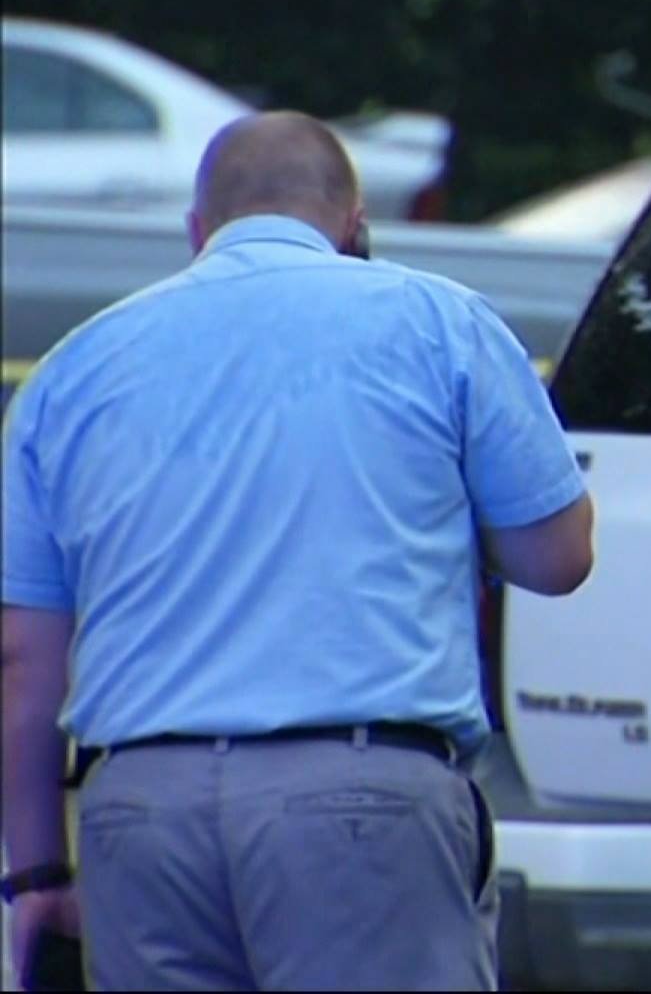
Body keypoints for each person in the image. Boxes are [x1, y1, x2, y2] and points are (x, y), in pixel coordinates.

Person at [1, 110, 595, 990]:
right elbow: (558, 558)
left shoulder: (70, 372)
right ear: (355, 225)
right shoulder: (438, 323)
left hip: (142, 819)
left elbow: (22, 663)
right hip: (363, 800)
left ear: (197, 232)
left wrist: (37, 874)